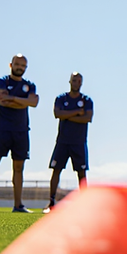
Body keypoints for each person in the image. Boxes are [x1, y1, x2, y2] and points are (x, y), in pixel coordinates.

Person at [0, 54, 39, 213]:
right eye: (17, 64)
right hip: (2, 129)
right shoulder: (1, 81)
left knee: (19, 168)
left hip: (21, 131)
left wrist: (12, 99)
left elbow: (34, 102)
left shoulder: (30, 85)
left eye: (23, 66)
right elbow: (2, 100)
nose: (20, 67)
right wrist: (22, 101)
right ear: (11, 64)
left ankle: (18, 205)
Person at [43, 72, 93, 213]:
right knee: (56, 170)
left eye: (79, 81)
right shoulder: (61, 98)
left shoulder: (87, 100)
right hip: (62, 141)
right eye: (74, 80)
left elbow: (87, 118)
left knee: (81, 172)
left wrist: (68, 115)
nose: (76, 83)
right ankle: (52, 202)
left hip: (79, 142)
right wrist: (77, 112)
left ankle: (84, 203)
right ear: (69, 81)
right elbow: (58, 114)